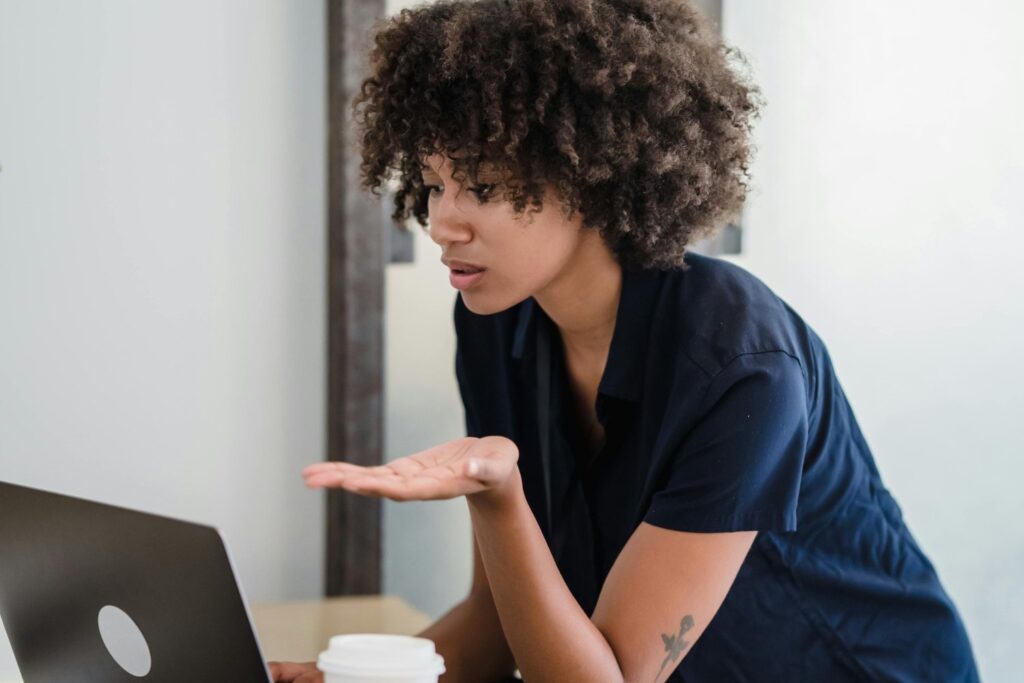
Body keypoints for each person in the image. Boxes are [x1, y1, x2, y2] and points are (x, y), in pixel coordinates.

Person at [270, 0, 980, 681]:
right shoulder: (495, 324)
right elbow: (494, 622)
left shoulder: (744, 363)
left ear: (592, 174)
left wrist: (498, 494)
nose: (442, 224)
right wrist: (357, 676)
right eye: (431, 186)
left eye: (482, 186)